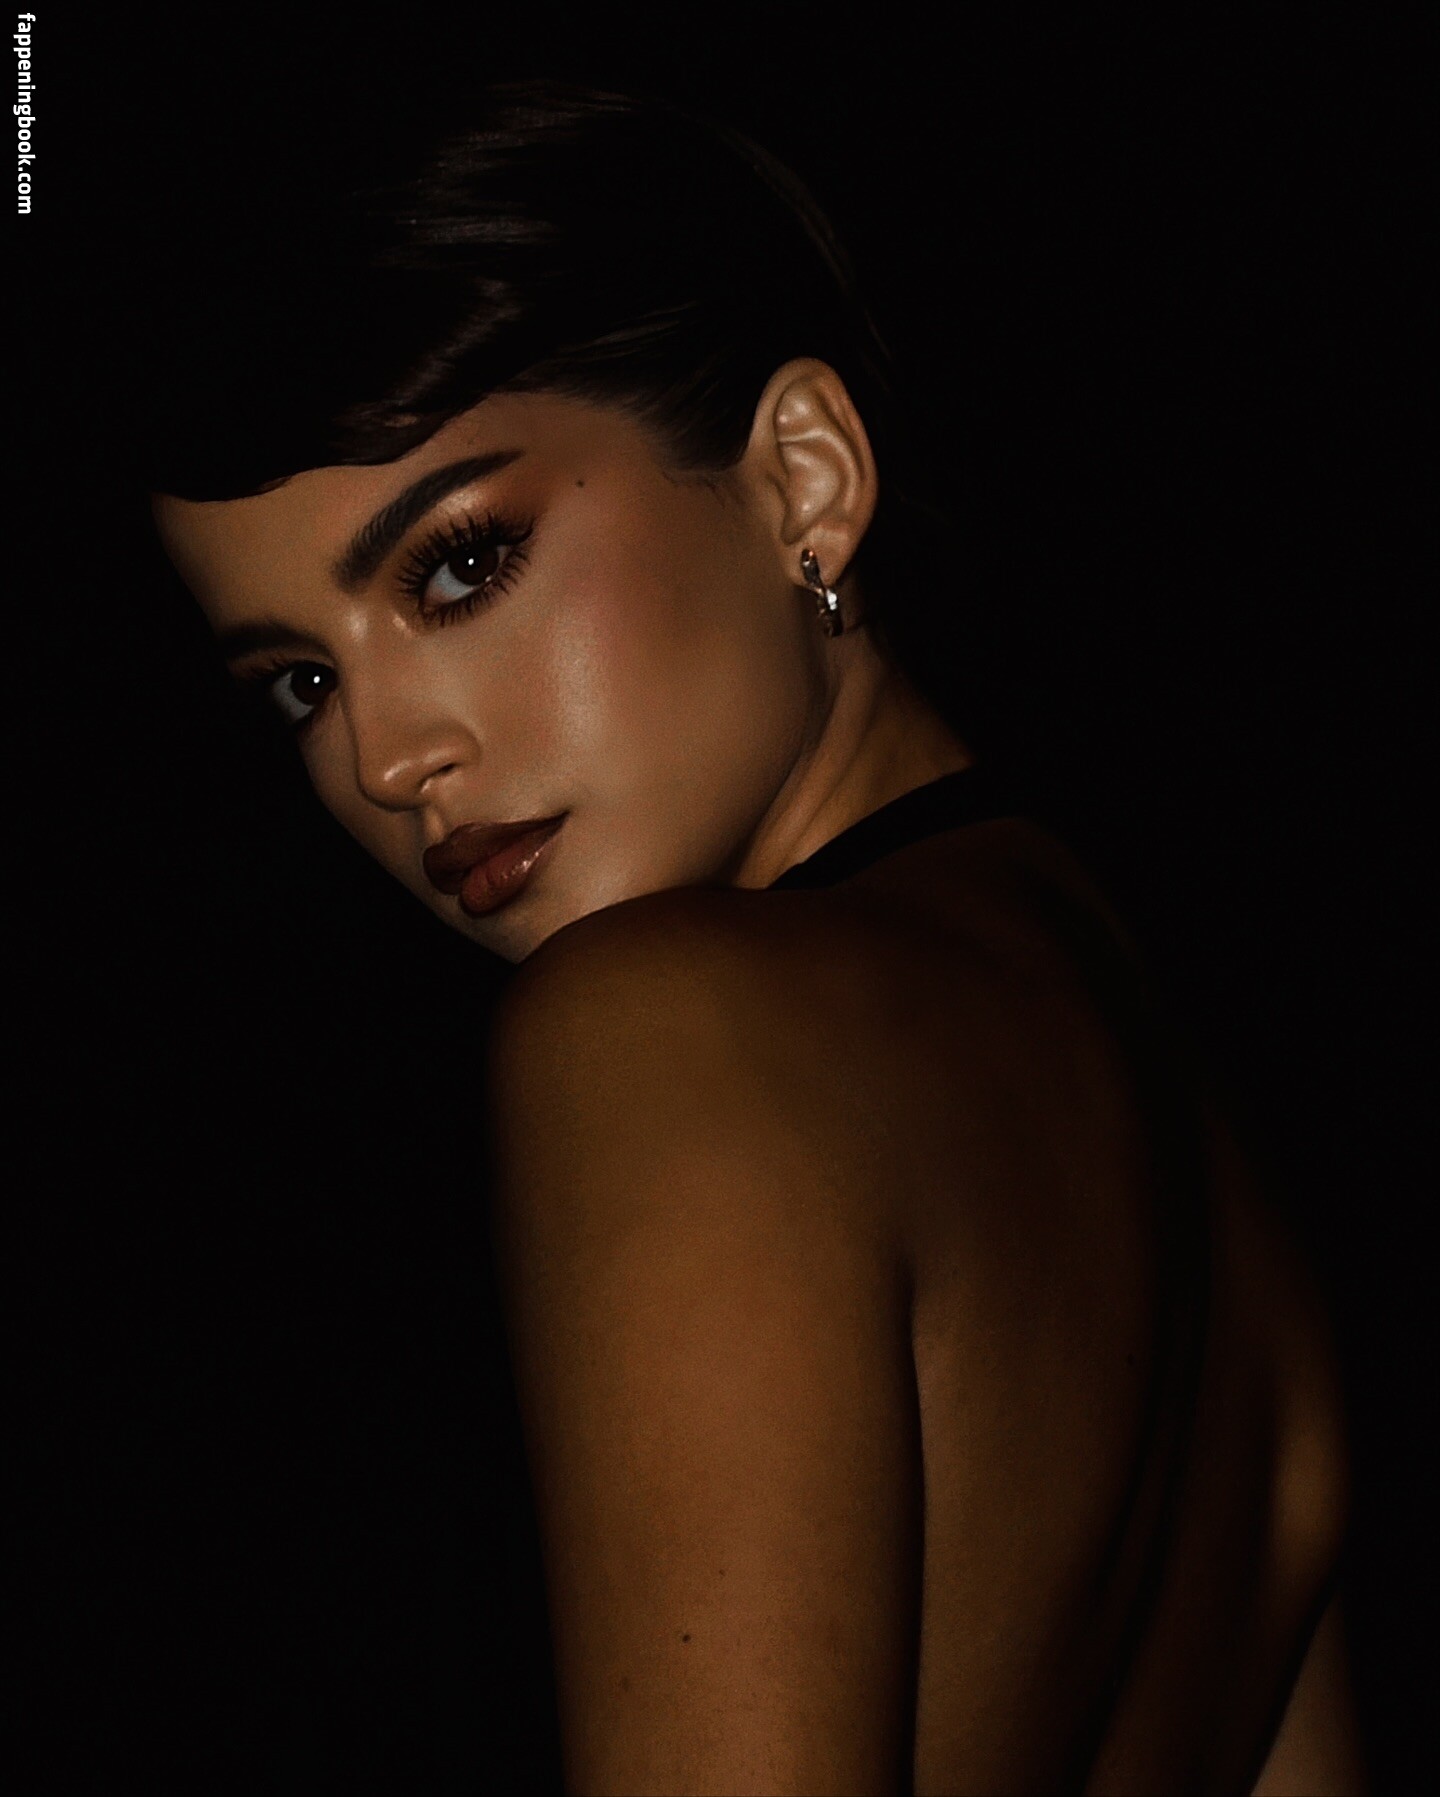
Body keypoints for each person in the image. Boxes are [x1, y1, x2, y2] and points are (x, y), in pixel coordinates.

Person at [146, 81, 1364, 1795]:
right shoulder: (1205, 1157)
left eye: (460, 566)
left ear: (805, 475)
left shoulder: (657, 1030)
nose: (383, 757)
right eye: (298, 682)